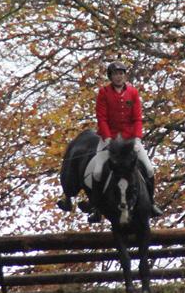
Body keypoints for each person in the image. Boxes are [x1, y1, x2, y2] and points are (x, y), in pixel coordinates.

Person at [67, 61, 163, 222]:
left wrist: (137, 137)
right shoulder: (103, 93)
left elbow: (137, 118)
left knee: (149, 169)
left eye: (121, 73)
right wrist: (108, 138)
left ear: (125, 75)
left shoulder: (132, 93)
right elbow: (102, 118)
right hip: (108, 139)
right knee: (97, 172)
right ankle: (96, 208)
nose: (118, 76)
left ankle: (151, 204)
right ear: (110, 76)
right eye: (115, 74)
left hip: (130, 140)